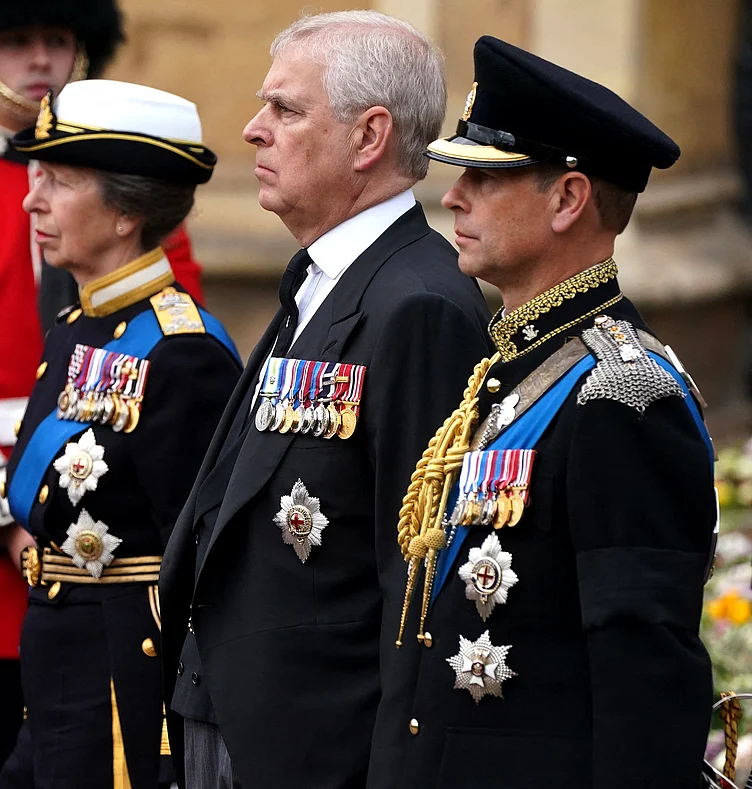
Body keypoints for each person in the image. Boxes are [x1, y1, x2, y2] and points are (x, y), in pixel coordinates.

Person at [369, 36, 716, 789]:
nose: (453, 196)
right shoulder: (507, 368)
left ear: (568, 199)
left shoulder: (624, 396)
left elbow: (644, 685)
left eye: (485, 178)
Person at [0, 5, 206, 785]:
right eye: (15, 40)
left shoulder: (136, 196)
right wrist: (10, 524)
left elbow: (167, 373)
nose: (41, 60)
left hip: (107, 571)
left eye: (58, 39)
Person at [158, 11, 491, 789]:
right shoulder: (325, 278)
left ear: (369, 137)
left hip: (318, 749)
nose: (254, 130)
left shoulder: (418, 305)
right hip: (238, 717)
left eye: (286, 109)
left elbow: (418, 580)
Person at [0, 80, 241, 789]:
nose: (32, 200)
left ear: (127, 211)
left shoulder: (184, 351)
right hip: (56, 670)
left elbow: (201, 568)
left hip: (126, 691)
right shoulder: (75, 328)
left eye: (59, 180)